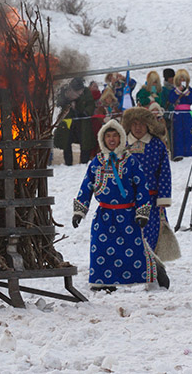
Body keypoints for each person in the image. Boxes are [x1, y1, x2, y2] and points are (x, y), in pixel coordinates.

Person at [72, 119, 162, 290]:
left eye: (115, 136)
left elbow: (142, 187)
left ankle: (149, 275)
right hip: (104, 215)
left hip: (128, 215)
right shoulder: (97, 162)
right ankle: (102, 282)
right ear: (102, 139)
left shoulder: (131, 162)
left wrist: (142, 212)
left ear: (121, 138)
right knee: (100, 248)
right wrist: (79, 211)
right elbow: (86, 186)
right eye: (108, 136)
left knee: (132, 250)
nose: (111, 139)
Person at [122, 107, 172, 251]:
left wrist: (163, 198)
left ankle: (152, 266)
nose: (138, 128)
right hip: (127, 200)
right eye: (134, 124)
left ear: (148, 125)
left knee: (152, 233)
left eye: (142, 124)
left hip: (152, 200)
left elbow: (164, 173)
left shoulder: (157, 145)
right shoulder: (122, 145)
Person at [168, 69, 192, 160]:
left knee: (189, 131)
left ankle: (190, 151)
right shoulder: (174, 90)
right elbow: (171, 99)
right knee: (178, 133)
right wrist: (178, 92)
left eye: (184, 80)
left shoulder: (190, 90)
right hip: (177, 114)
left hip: (187, 113)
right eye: (180, 80)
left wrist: (187, 93)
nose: (182, 82)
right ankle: (178, 152)